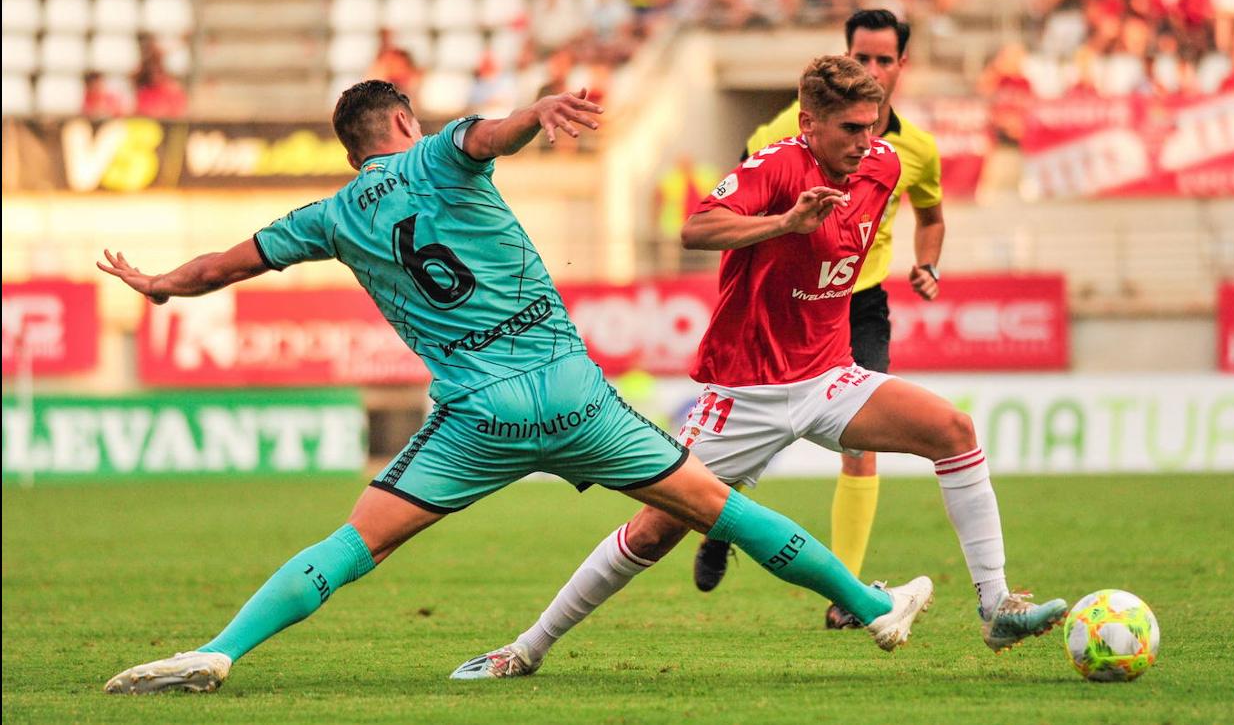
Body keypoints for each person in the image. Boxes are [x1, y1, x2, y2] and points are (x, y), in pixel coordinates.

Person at [99, 80, 933, 694]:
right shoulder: (438, 153)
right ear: (403, 122)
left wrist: (161, 284)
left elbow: (222, 266)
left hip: (478, 415)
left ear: (352, 153)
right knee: (719, 508)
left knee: (358, 545)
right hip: (573, 396)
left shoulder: (329, 217)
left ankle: (220, 650)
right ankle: (869, 606)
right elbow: (491, 136)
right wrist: (539, 111)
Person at [450, 55, 1065, 681]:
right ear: (809, 123)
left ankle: (996, 606)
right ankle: (526, 649)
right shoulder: (776, 166)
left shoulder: (884, 166)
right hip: (743, 394)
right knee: (653, 533)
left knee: (953, 430)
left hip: (829, 379)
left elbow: (873, 239)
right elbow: (696, 229)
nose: (866, 140)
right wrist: (786, 223)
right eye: (851, 128)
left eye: (871, 124)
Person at [705, 8, 946, 630]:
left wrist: (927, 264)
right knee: (753, 433)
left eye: (884, 59)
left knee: (860, 446)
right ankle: (718, 513)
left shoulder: (914, 151)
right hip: (785, 300)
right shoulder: (793, 126)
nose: (873, 68)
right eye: (861, 57)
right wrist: (782, 227)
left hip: (858, 303)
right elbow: (739, 195)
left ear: (902, 65)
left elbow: (931, 215)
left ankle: (847, 595)